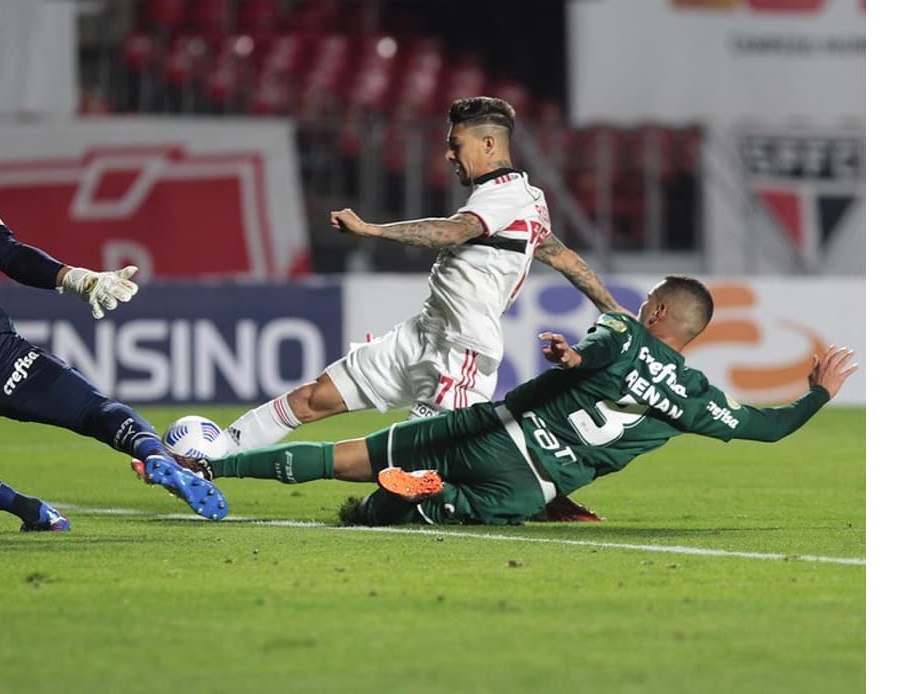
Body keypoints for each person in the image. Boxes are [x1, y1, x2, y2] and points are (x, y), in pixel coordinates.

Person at [219, 96, 625, 521]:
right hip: (421, 336)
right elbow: (562, 257)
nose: (448, 153)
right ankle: (211, 454)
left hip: (460, 353)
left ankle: (537, 497)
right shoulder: (519, 200)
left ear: (489, 144)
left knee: (397, 469)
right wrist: (616, 312)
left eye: (456, 143)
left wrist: (371, 229)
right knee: (311, 398)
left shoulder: (506, 197)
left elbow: (451, 233)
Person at [173, 276, 858, 526]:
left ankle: (211, 467)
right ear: (693, 332)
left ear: (653, 308)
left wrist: (570, 357)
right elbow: (766, 429)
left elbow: (595, 352)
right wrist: (818, 394)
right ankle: (423, 500)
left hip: (486, 425)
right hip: (524, 482)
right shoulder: (693, 396)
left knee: (338, 456)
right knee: (423, 513)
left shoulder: (620, 329)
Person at [0, 124, 227, 531]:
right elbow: (9, 255)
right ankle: (152, 453)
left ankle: (28, 510)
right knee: (94, 408)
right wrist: (77, 279)